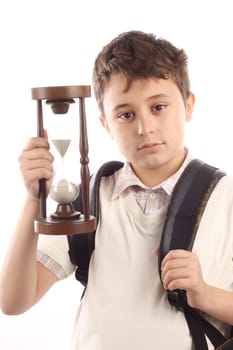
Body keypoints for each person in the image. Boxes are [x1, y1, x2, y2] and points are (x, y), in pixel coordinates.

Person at [0, 30, 233, 350]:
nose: (145, 127)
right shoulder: (89, 198)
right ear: (105, 124)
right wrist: (32, 200)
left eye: (159, 107)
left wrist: (206, 294)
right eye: (125, 114)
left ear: (189, 105)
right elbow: (13, 301)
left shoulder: (226, 197)